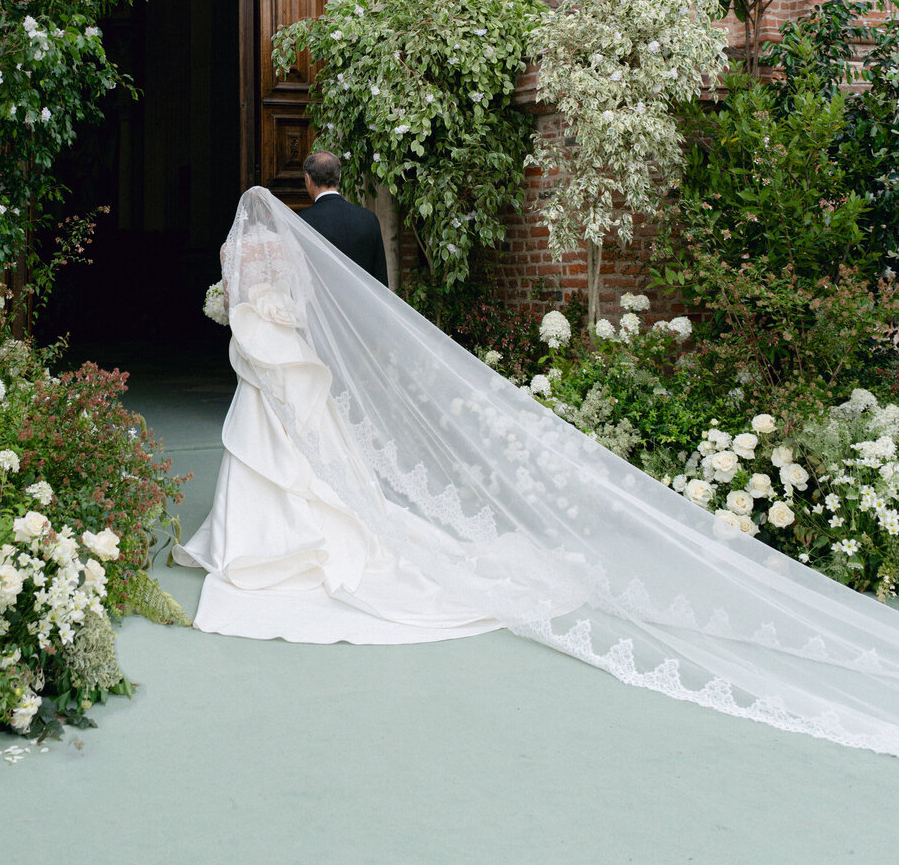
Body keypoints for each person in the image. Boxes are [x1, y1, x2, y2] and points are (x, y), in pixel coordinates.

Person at [177, 185, 899, 758]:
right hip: (295, 354)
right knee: (310, 451)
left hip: (265, 359)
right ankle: (299, 534)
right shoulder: (319, 237)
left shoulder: (244, 251)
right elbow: (317, 299)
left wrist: (238, 318)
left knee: (270, 448)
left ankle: (258, 545)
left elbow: (239, 305)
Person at [298, 150, 389, 288]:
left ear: (308, 179)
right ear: (339, 177)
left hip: (322, 307)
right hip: (362, 306)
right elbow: (380, 278)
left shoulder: (302, 222)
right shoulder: (369, 219)